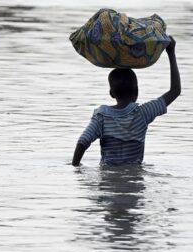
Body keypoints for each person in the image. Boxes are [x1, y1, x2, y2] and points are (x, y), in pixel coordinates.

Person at [72, 37, 180, 166]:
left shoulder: (102, 117)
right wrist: (171, 53)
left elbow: (82, 142)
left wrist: (76, 167)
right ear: (137, 93)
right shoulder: (143, 113)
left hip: (108, 180)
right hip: (135, 179)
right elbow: (175, 91)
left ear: (111, 93)